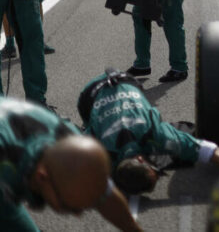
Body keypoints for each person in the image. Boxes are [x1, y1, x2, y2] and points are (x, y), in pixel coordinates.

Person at [78, 69, 219, 194]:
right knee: (170, 154)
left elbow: (209, 150)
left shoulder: (157, 134)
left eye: (153, 170)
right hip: (95, 93)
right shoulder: (96, 152)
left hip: (102, 90)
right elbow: (209, 150)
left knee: (174, 152)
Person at [0, 97, 141, 232]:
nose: (77, 215)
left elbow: (105, 194)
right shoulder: (5, 169)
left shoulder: (70, 140)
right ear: (41, 177)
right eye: (68, 206)